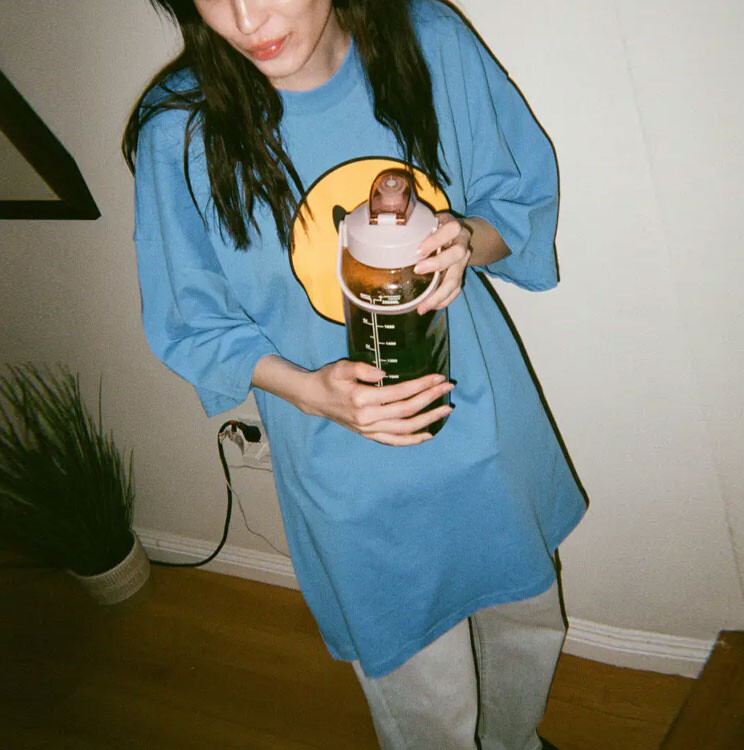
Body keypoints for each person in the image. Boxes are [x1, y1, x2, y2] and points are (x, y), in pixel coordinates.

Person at [124, 1, 587, 748]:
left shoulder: (427, 43)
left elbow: (517, 198)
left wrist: (466, 238)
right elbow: (191, 322)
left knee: (524, 633)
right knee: (422, 696)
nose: (247, 17)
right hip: (350, 473)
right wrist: (310, 391)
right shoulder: (179, 131)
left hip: (487, 433)